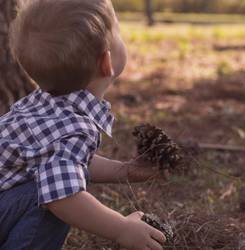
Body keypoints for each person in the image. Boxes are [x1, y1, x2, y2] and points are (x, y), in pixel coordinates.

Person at [0, 0, 166, 249]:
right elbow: (63, 197)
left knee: (53, 182)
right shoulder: (74, 127)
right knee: (48, 198)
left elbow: (66, 161)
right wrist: (121, 228)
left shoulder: (42, 103)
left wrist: (124, 171)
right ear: (106, 62)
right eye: (118, 32)